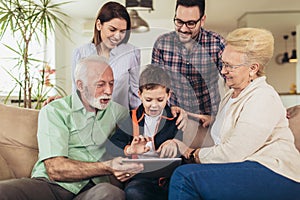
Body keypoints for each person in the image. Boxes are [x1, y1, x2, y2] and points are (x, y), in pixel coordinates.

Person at [169, 28, 300, 199]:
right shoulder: (231, 95)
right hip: (249, 167)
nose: (223, 71)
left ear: (253, 68)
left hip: (277, 172)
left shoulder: (263, 97)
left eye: (230, 66)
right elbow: (238, 129)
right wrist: (213, 121)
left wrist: (192, 153)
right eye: (223, 63)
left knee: (185, 177)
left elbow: (232, 153)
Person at [0, 55, 145, 200]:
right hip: (51, 186)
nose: (108, 91)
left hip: (94, 190)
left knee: (111, 193)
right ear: (81, 85)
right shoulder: (56, 110)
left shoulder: (119, 113)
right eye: (100, 85)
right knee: (4, 191)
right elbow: (55, 169)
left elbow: (147, 124)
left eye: (111, 84)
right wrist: (107, 166)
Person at [107, 65, 183, 200]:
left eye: (160, 100)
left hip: (169, 177)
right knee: (133, 192)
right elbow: (111, 145)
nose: (154, 105)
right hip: (141, 178)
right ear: (140, 95)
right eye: (148, 100)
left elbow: (184, 149)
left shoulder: (174, 118)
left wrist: (175, 144)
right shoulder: (131, 118)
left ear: (168, 95)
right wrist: (129, 150)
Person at [151, 0, 225, 118]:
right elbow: (156, 85)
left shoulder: (217, 43)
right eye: (179, 22)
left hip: (209, 117)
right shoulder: (162, 44)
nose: (184, 29)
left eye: (191, 23)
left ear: (202, 20)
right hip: (174, 116)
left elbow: (233, 82)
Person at [71, 1, 140, 110]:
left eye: (122, 31)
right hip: (90, 120)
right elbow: (77, 93)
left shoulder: (131, 53)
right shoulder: (81, 53)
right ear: (99, 25)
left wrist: (140, 121)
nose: (117, 36)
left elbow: (135, 93)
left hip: (120, 121)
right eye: (112, 30)